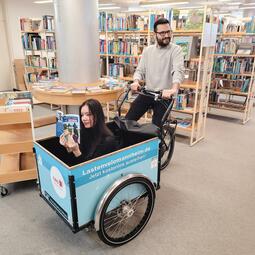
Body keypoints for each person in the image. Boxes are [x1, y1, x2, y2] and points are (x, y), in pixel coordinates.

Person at [125, 18, 185, 127]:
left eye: (168, 32)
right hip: (147, 93)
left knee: (156, 129)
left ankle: (158, 142)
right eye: (162, 33)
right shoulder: (148, 50)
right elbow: (140, 70)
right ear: (155, 34)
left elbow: (178, 70)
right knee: (127, 121)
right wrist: (136, 81)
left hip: (164, 96)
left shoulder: (176, 50)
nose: (166, 35)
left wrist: (174, 89)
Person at [59, 99, 117, 165]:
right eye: (82, 115)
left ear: (97, 115)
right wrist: (68, 147)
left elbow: (90, 169)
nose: (84, 118)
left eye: (88, 114)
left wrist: (76, 150)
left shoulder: (108, 141)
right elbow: (74, 162)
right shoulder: (83, 132)